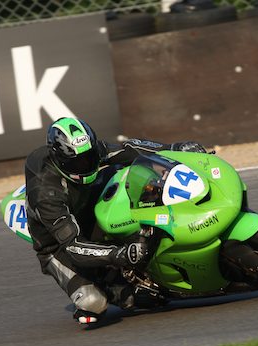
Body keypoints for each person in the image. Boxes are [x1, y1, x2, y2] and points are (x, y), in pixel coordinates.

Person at [24, 117, 206, 324]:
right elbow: (74, 247)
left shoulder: (90, 153)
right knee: (95, 302)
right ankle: (112, 288)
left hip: (86, 207)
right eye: (78, 162)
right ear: (61, 160)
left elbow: (129, 148)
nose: (87, 165)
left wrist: (174, 148)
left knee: (135, 175)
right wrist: (119, 254)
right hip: (60, 246)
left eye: (89, 157)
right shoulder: (46, 195)